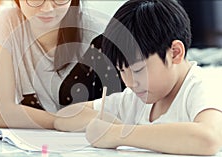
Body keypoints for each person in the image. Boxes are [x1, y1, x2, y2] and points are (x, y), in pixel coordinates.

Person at [53, 0, 222, 155]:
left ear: (175, 53)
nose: (129, 83)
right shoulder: (136, 99)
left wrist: (119, 134)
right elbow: (65, 116)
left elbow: (208, 139)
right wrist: (104, 123)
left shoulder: (203, 86)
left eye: (138, 70)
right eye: (121, 71)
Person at [0, 0, 124, 129]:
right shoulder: (10, 22)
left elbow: (122, 115)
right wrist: (59, 121)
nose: (47, 8)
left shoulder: (99, 35)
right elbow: (1, 114)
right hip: (37, 147)